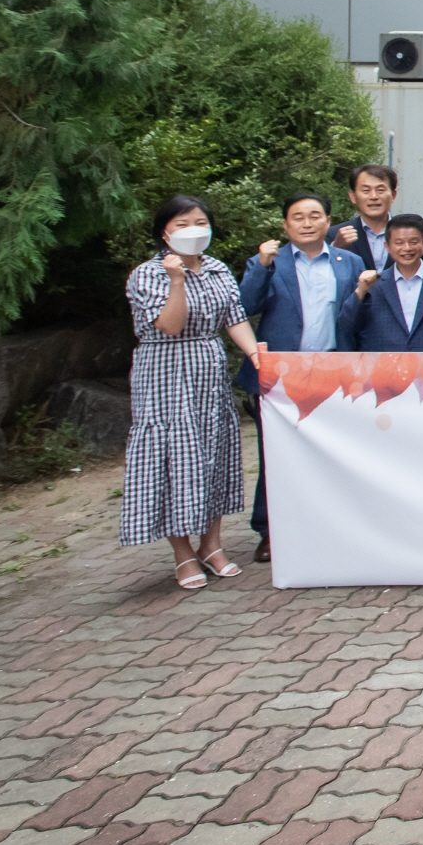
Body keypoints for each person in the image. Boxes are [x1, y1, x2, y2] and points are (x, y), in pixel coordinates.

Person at [124, 196, 263, 590]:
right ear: (164, 232)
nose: (193, 230)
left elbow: (234, 318)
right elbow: (171, 325)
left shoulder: (217, 268)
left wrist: (255, 354)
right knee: (174, 458)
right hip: (165, 374)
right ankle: (182, 553)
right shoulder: (147, 274)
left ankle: (212, 545)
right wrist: (177, 280)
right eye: (182, 224)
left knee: (214, 452)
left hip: (209, 371)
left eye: (200, 222)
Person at [236, 191, 363, 564]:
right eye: (298, 217)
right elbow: (244, 306)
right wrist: (261, 265)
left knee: (333, 452)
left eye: (315, 216)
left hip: (335, 370)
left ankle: (332, 525)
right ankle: (269, 531)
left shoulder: (349, 262)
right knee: (275, 454)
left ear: (328, 221)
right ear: (285, 224)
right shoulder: (268, 262)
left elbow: (357, 315)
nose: (307, 223)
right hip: (281, 374)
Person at [352, 213, 423, 353]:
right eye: (399, 243)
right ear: (387, 246)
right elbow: (348, 326)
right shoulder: (373, 285)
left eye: (413, 242)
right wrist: (360, 291)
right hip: (384, 363)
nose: (407, 248)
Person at [330, 163, 398, 270]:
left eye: (380, 190)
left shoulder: (408, 233)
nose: (373, 196)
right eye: (366, 190)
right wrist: (336, 249)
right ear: (353, 197)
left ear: (393, 195)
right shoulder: (334, 235)